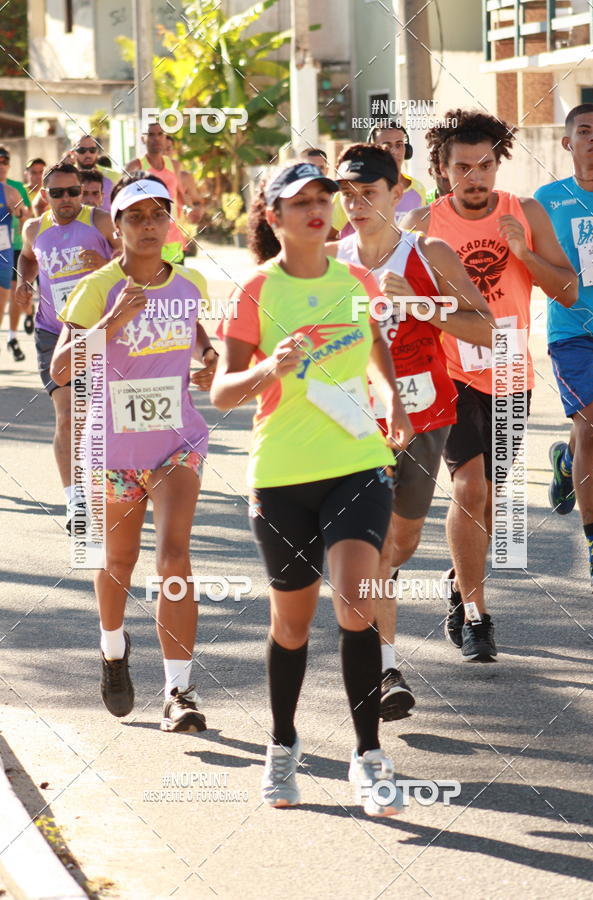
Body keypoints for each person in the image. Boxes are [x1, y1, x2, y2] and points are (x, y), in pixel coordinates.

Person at [211, 161, 413, 815]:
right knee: (292, 626)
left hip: (357, 460)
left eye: (323, 198)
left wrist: (394, 402)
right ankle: (282, 748)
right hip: (281, 476)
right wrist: (271, 367)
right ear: (274, 218)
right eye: (300, 202)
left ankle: (369, 756)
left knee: (357, 599)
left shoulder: (356, 280)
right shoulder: (255, 292)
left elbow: (375, 343)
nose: (317, 209)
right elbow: (220, 393)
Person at [402, 109, 577, 661]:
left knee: (489, 499)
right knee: (470, 489)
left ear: (498, 165)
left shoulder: (523, 212)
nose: (474, 178)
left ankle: (460, 586)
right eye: (462, 168)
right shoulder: (424, 228)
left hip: (507, 370)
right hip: (449, 372)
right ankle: (478, 615)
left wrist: (523, 253)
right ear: (443, 169)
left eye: (484, 166)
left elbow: (568, 292)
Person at [330, 143, 494, 715]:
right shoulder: (330, 261)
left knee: (400, 543)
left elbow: (485, 328)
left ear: (397, 193)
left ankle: (369, 612)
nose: (354, 205)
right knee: (372, 542)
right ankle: (385, 669)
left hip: (424, 418)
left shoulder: (428, 252)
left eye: (367, 194)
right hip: (354, 421)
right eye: (345, 195)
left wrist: (425, 306)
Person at [50, 172, 218, 730]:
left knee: (174, 557)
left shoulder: (189, 284)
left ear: (171, 223)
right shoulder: (96, 286)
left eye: (157, 215)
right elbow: (60, 368)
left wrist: (211, 358)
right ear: (116, 226)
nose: (149, 226)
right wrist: (111, 321)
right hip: (112, 449)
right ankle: (113, 648)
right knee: (118, 562)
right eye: (136, 217)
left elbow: (196, 341)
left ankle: (179, 693)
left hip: (177, 443)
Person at [15, 163, 119, 533]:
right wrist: (24, 282)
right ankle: (75, 501)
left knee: (102, 415)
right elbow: (27, 258)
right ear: (44, 194)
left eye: (73, 191)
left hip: (103, 332)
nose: (66, 200)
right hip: (53, 333)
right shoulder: (33, 228)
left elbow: (139, 264)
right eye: (57, 193)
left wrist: (108, 262)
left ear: (82, 191)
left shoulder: (102, 222)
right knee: (67, 414)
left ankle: (113, 487)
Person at [534, 103, 593, 593]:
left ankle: (565, 459)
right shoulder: (546, 199)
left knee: (590, 428)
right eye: (585, 131)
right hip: (571, 331)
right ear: (567, 143)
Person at [333, 120, 427, 238]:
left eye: (399, 145)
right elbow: (327, 236)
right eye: (386, 147)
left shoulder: (418, 189)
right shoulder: (351, 190)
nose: (394, 151)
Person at [127, 123, 187, 263]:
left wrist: (192, 208)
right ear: (143, 139)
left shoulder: (175, 165)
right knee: (150, 284)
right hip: (146, 239)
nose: (156, 138)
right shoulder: (135, 167)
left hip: (173, 239)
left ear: (165, 138)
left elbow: (181, 196)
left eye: (160, 134)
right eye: (151, 134)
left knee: (176, 283)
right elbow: (124, 202)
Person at [0, 146, 30, 359]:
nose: (1, 165)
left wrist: (20, 215)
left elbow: (26, 217)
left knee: (2, 302)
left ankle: (11, 335)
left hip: (4, 252)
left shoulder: (11, 191)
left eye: (4, 161)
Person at [68, 135, 120, 214]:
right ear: (72, 152)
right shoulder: (64, 178)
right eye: (82, 150)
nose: (88, 155)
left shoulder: (115, 177)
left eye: (92, 150)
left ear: (97, 152)